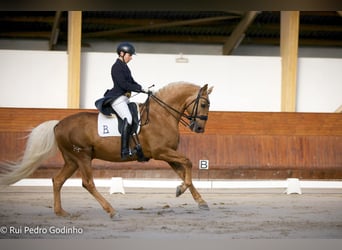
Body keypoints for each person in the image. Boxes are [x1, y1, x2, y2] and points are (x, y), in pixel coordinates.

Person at [105, 42, 147, 159]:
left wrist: (143, 89)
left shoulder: (124, 66)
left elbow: (132, 82)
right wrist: (138, 88)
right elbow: (124, 85)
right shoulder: (116, 67)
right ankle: (124, 150)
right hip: (117, 98)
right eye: (130, 55)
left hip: (125, 98)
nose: (131, 58)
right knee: (128, 118)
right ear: (122, 53)